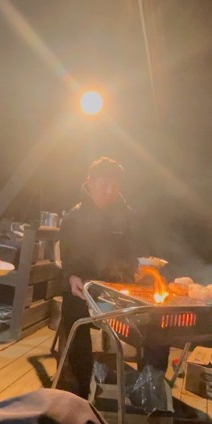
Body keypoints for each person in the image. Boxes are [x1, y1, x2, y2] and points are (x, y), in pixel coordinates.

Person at [58, 156, 169, 399]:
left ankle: (149, 389)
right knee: (74, 313)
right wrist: (72, 276)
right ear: (90, 182)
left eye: (114, 186)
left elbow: (138, 251)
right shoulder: (73, 218)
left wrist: (143, 267)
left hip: (120, 289)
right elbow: (67, 258)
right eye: (104, 184)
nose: (109, 191)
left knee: (157, 321)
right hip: (85, 289)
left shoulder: (128, 217)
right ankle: (81, 386)